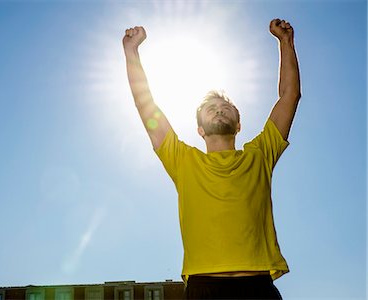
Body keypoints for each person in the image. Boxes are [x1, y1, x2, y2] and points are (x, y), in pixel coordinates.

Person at [122, 18, 301, 300]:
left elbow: (290, 96)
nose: (219, 110)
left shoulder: (260, 153)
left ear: (239, 124)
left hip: (258, 286)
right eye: (211, 108)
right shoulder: (182, 159)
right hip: (203, 286)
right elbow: (145, 106)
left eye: (225, 107)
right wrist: (131, 53)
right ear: (200, 129)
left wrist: (285, 43)